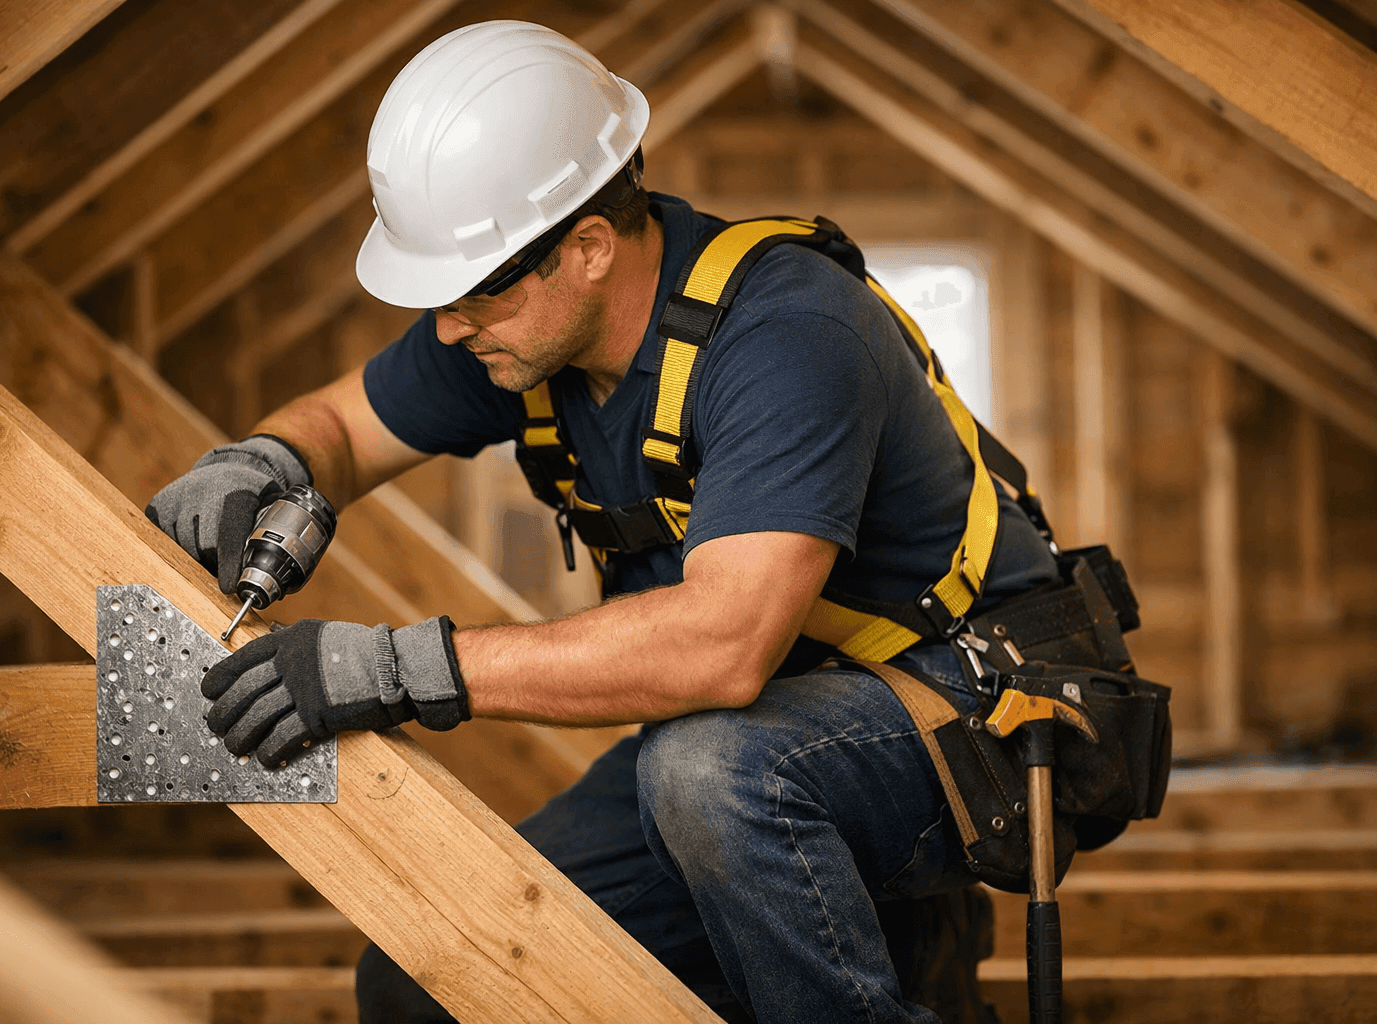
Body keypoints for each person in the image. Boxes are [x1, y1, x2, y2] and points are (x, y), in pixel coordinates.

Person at [146, 20, 1058, 1024]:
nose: (447, 325)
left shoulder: (789, 329)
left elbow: (722, 648)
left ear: (584, 248)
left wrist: (391, 670)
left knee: (710, 772)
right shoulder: (512, 326)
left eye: (470, 291)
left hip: (978, 709)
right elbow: (341, 430)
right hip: (746, 738)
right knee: (425, 984)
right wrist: (264, 460)